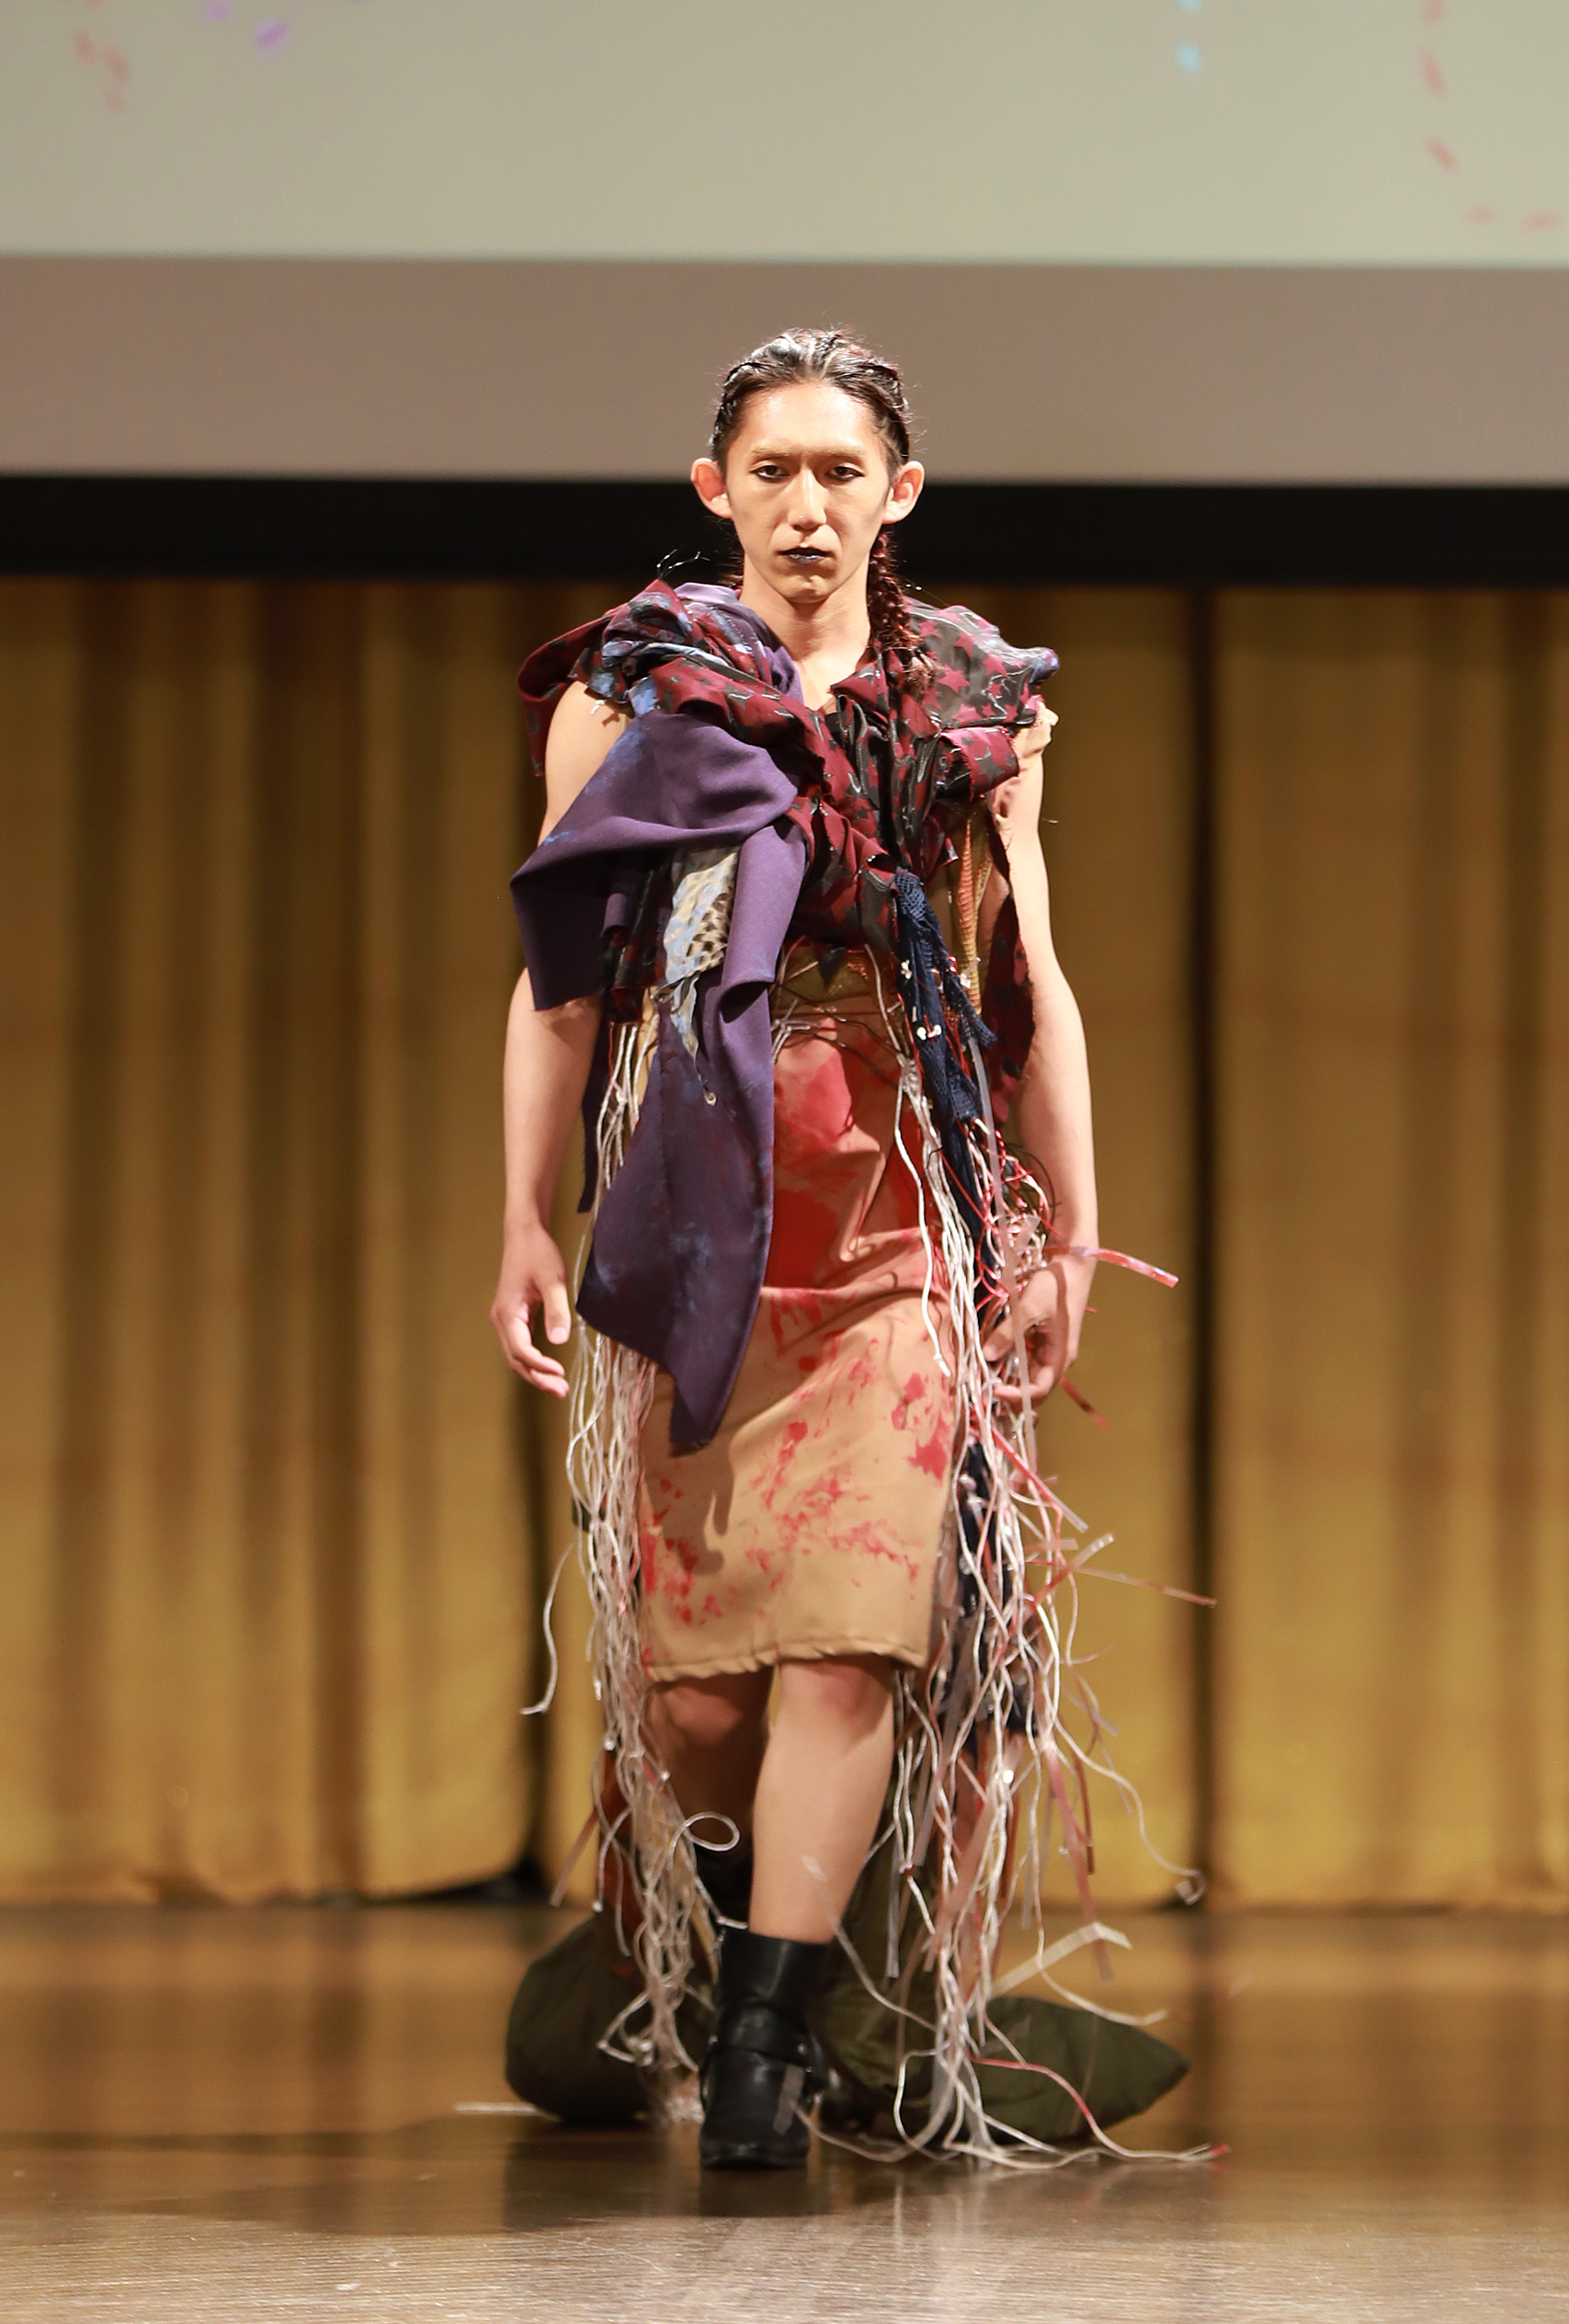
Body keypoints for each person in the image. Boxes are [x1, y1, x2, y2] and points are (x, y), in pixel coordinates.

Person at [492, 329, 1187, 2168]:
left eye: (840, 470)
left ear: (900, 493)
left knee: (850, 1646)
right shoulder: (636, 698)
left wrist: (1065, 1231)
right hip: (704, 1219)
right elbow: (561, 989)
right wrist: (521, 1219)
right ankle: (689, 1950)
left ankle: (762, 2053)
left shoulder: (970, 708)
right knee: (704, 1698)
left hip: (900, 1222)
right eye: (773, 470)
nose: (807, 504)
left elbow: (1028, 976)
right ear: (713, 490)